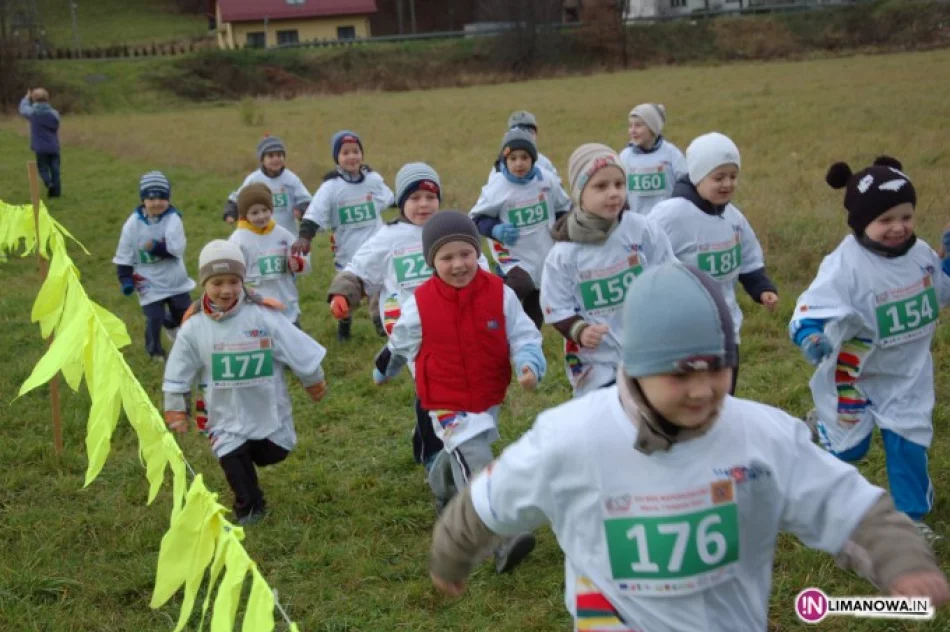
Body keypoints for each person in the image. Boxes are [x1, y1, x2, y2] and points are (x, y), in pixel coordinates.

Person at [429, 261, 949, 630]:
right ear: (635, 368)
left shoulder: (763, 436)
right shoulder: (571, 438)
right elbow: (487, 500)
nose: (702, 390)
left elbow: (845, 505)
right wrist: (452, 556)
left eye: (716, 368)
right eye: (679, 374)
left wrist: (902, 561)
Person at [790, 156, 950, 542]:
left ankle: (911, 518)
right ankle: (818, 430)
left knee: (908, 443)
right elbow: (808, 310)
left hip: (906, 375)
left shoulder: (920, 254)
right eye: (885, 220)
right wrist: (811, 336)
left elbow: (939, 294)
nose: (898, 228)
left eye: (906, 216)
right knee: (850, 450)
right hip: (854, 374)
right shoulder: (845, 265)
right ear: (862, 222)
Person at [376, 211, 545, 573]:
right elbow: (399, 343)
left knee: (460, 457)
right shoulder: (420, 305)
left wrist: (529, 362)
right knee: (478, 460)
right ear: (432, 262)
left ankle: (440, 482)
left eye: (465, 254)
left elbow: (523, 333)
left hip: (487, 395)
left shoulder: (499, 293)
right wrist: (384, 367)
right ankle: (502, 538)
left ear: (478, 253)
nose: (458, 264)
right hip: (445, 400)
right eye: (447, 257)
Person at [163, 240, 328, 526]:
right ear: (204, 283)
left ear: (242, 281)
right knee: (232, 457)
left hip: (267, 408)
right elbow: (178, 370)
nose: (225, 290)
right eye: (217, 282)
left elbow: (296, 347)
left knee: (273, 453)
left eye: (232, 281)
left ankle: (250, 458)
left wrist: (313, 380)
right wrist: (177, 408)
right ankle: (249, 507)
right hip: (223, 415)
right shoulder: (194, 328)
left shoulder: (263, 316)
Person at [542, 143, 676, 397]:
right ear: (580, 193)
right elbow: (556, 305)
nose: (614, 193)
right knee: (606, 426)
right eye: (601, 186)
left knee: (649, 418)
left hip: (645, 350)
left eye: (619, 184)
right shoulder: (564, 253)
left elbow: (668, 272)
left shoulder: (642, 230)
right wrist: (579, 330)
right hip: (596, 362)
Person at [650, 132, 778, 393]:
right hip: (685, 329)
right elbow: (648, 254)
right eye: (718, 177)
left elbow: (749, 256)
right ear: (697, 176)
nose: (727, 184)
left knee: (724, 393)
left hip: (727, 325)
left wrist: (762, 287)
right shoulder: (672, 214)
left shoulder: (733, 217)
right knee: (691, 397)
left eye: (733, 176)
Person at [295, 130, 394, 340]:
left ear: (362, 154)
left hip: (376, 248)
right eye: (345, 152)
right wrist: (305, 236)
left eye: (356, 151)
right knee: (346, 292)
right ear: (337, 158)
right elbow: (316, 211)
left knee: (381, 287)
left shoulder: (373, 180)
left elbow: (390, 198)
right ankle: (344, 325)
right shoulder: (331, 187)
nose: (352, 157)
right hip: (348, 251)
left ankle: (381, 323)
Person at [471, 127, 571, 329]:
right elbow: (476, 218)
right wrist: (496, 229)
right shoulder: (497, 186)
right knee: (521, 284)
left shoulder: (546, 180)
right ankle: (490, 316)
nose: (519, 163)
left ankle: (526, 338)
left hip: (542, 249)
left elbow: (564, 208)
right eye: (513, 158)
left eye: (524, 157)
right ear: (504, 160)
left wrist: (564, 229)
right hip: (511, 251)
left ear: (533, 159)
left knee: (538, 296)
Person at [113, 171, 195, 361]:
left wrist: (157, 248)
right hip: (147, 281)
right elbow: (124, 254)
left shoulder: (173, 219)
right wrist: (125, 279)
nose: (157, 202)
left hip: (174, 279)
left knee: (185, 314)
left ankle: (191, 344)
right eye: (151, 198)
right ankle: (155, 351)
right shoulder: (132, 225)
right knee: (154, 318)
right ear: (143, 199)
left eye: (162, 197)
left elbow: (176, 248)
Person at [228, 183, 310, 326]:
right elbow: (231, 272)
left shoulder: (282, 234)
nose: (261, 216)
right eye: (254, 213)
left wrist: (298, 263)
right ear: (244, 215)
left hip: (285, 301)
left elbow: (302, 256)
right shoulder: (238, 240)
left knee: (294, 343)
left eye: (265, 210)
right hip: (256, 304)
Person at [222, 136, 312, 237]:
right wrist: (231, 212)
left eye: (279, 155)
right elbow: (239, 198)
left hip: (287, 236)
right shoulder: (254, 179)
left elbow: (306, 200)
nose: (276, 159)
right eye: (270, 156)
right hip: (259, 235)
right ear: (262, 160)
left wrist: (301, 210)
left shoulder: (291, 179)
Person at [618, 103, 687, 215]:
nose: (633, 130)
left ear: (653, 128)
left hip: (666, 222)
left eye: (638, 125)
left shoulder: (671, 153)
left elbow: (685, 184)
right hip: (636, 223)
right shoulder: (625, 157)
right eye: (630, 126)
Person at [19, 87, 61, 198]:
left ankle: (49, 183)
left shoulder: (33, 113)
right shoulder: (54, 113)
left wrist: (26, 98)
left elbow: (23, 109)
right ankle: (56, 192)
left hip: (40, 147)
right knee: (55, 168)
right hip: (54, 146)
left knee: (42, 168)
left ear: (34, 99)